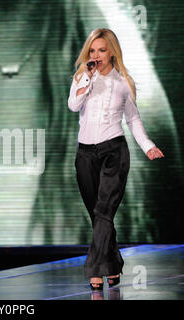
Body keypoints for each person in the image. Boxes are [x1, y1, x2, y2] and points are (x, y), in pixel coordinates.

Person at [68, 28, 164, 290]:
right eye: (92, 50)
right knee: (98, 216)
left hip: (114, 152)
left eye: (101, 50)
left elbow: (133, 119)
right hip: (86, 154)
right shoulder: (81, 77)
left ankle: (95, 269)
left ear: (112, 52)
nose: (96, 55)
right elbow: (73, 106)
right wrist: (86, 79)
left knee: (103, 211)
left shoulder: (123, 82)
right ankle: (113, 263)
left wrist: (147, 146)